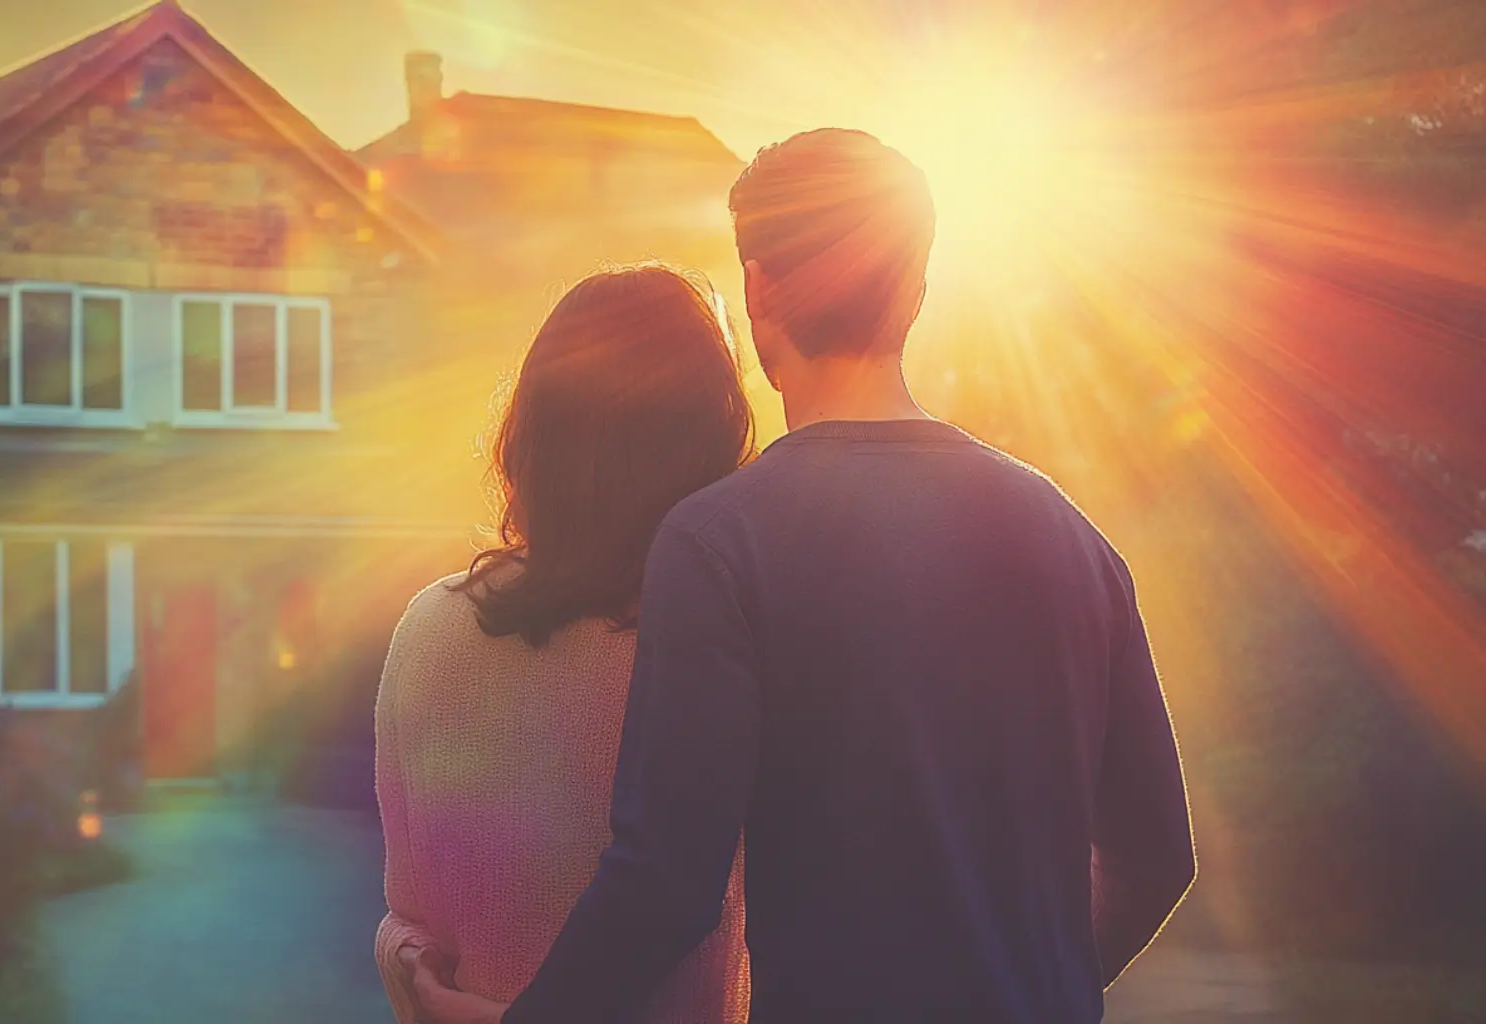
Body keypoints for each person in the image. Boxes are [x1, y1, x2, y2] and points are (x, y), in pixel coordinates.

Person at [407, 128, 1197, 1024]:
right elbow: (1156, 855)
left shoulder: (719, 542)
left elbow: (666, 883)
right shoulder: (1074, 541)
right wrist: (1039, 984)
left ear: (757, 285)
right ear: (916, 290)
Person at [373, 263, 756, 1024]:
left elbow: (406, 922)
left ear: (535, 431)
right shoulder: (716, 654)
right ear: (707, 441)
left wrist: (427, 985)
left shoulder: (427, 631)